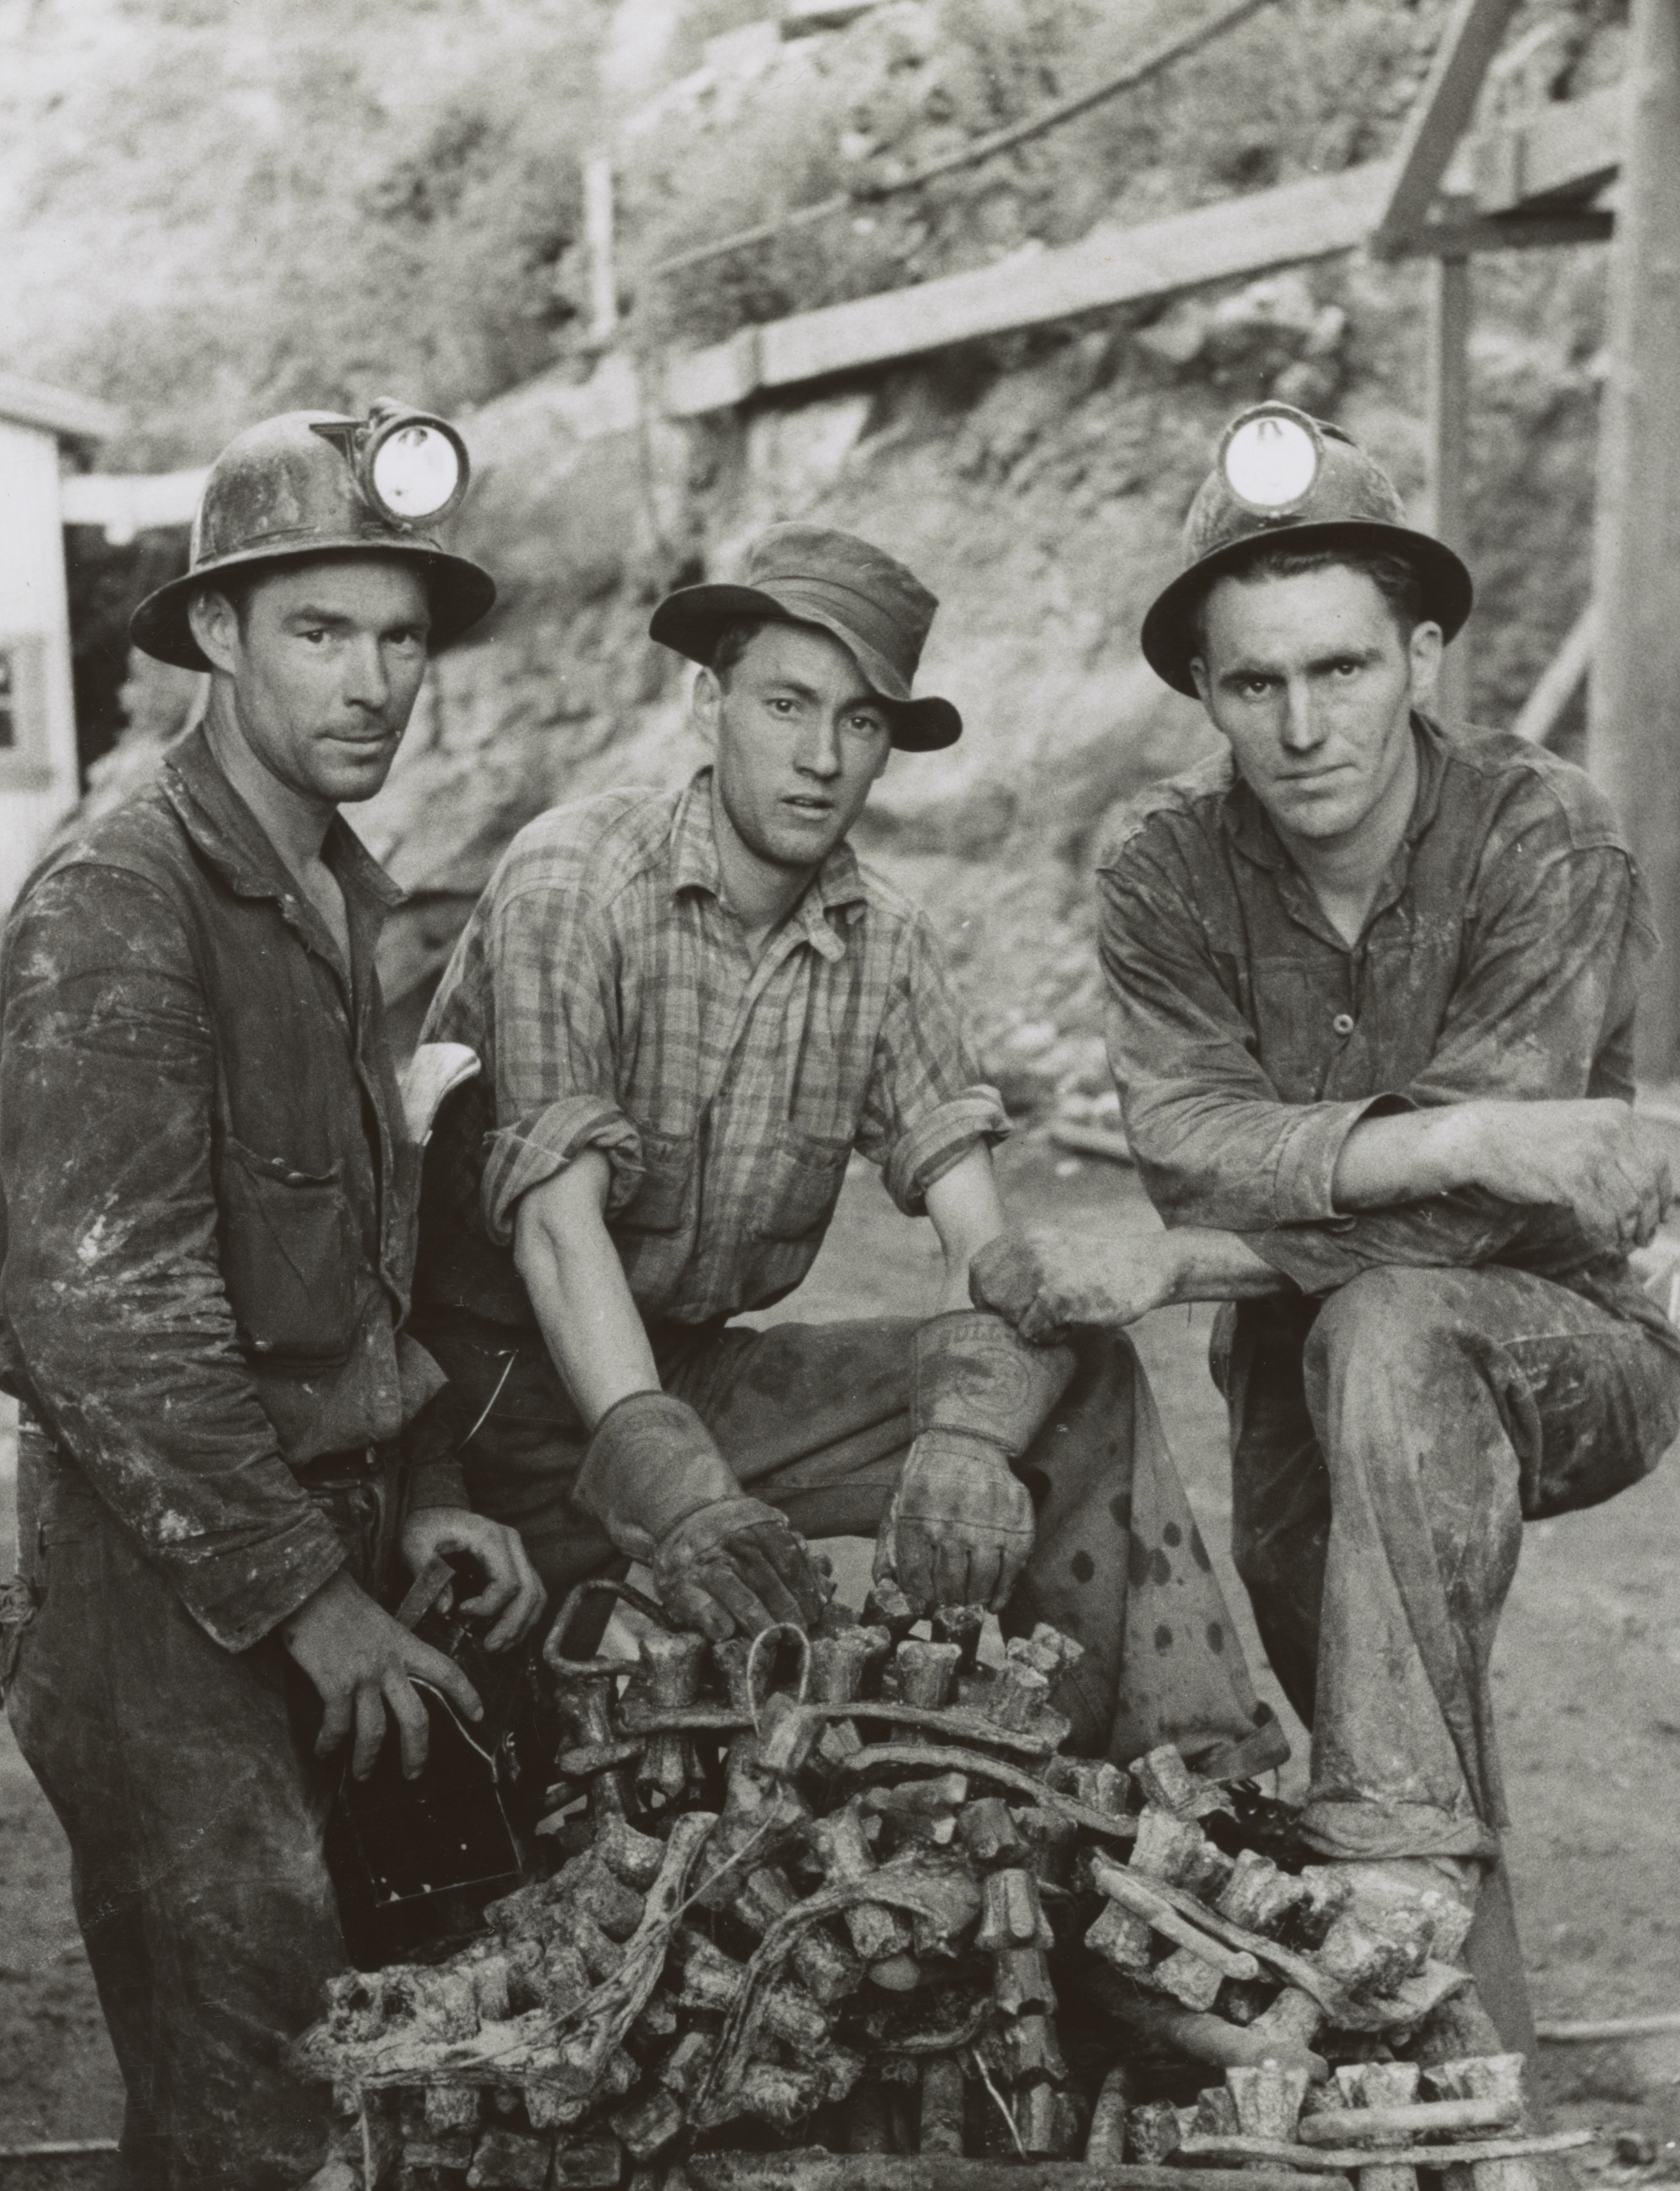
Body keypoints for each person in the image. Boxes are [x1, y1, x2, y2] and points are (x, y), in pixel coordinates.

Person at [0, 402, 543, 2191]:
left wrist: (423, 1493)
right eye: (321, 628)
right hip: (151, 1583)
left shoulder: (340, 888)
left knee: (429, 1997)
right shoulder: (122, 899)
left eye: (400, 639)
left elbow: (362, 1263)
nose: (372, 680)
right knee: (251, 2066)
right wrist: (308, 1607)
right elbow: (93, 1312)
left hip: (311, 1532)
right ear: (213, 631)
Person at [970, 403, 1680, 2059]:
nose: (1299, 724)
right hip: (1297, 1377)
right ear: (1205, 695)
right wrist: (1481, 1130)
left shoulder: (1540, 836)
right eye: (1252, 683)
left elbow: (1459, 1229)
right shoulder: (1162, 871)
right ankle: (1469, 2069)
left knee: (1399, 1334)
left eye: (1340, 669)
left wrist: (1201, 1253)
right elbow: (1185, 1148)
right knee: (1383, 1689)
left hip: (1563, 1345)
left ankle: (1404, 1975)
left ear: (1419, 655)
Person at [411, 522, 1288, 1787]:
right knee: (470, 1803)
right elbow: (557, 1228)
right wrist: (682, 1496)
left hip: (687, 1365)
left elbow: (983, 1246)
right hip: (477, 1402)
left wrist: (966, 1436)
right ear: (706, 699)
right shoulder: (574, 880)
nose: (822, 759)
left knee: (1071, 1382)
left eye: (862, 722)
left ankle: (1183, 1791)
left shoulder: (885, 945)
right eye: (785, 704)